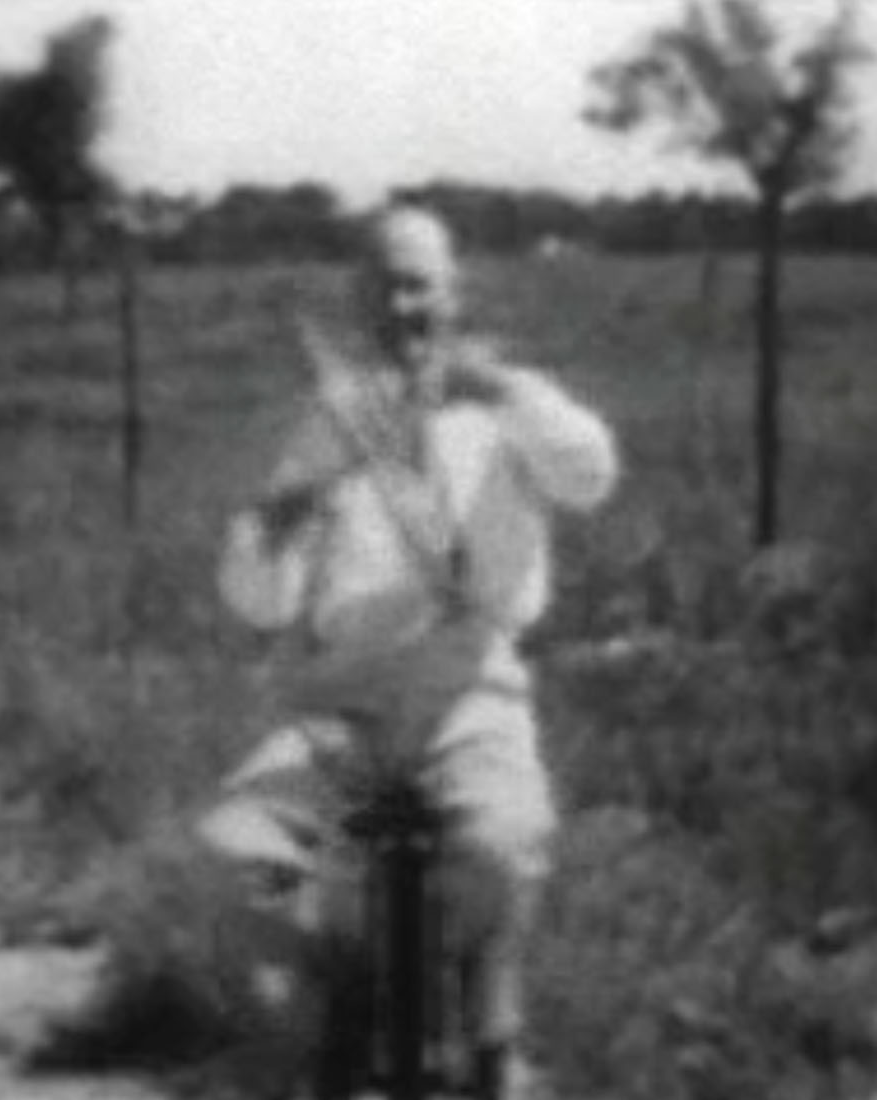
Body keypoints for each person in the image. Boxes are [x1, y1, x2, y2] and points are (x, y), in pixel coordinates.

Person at [198, 204, 620, 1100]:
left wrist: (497, 387)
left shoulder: (507, 405)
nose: (403, 305)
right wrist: (277, 520)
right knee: (239, 859)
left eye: (419, 283)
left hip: (472, 692)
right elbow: (259, 601)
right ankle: (345, 994)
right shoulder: (328, 418)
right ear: (358, 303)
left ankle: (491, 1019)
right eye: (383, 285)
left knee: (501, 848)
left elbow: (592, 476)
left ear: (453, 296)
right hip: (343, 702)